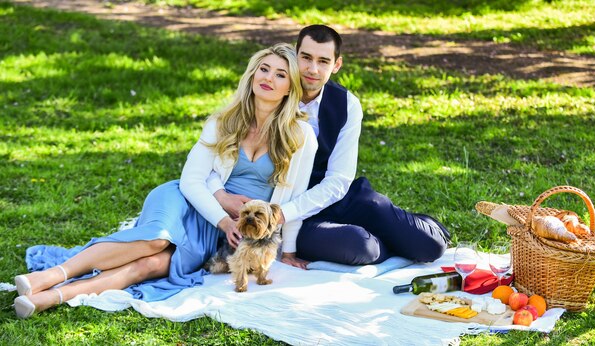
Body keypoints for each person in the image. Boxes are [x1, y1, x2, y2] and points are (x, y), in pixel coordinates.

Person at [13, 43, 318, 318]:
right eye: (263, 69)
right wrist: (223, 214)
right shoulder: (223, 121)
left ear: (290, 87)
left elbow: (294, 198)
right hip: (188, 201)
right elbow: (191, 180)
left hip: (221, 232)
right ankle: (49, 277)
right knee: (157, 239)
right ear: (252, 75)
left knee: (153, 265)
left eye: (280, 75)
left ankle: (52, 298)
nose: (268, 78)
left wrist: (287, 250)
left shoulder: (300, 135)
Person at [208, 25, 450, 267]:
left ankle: (414, 230)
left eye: (323, 61)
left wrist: (281, 214)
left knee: (430, 247)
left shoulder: (347, 104)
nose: (313, 69)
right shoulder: (269, 94)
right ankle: (386, 245)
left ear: (336, 65)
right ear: (295, 54)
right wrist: (279, 214)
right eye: (306, 58)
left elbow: (339, 180)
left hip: (338, 197)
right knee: (360, 246)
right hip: (293, 212)